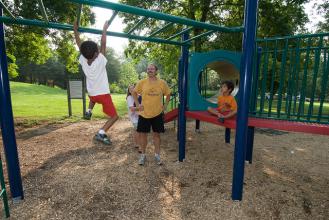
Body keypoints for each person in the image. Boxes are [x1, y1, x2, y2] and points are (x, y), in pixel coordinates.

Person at [73, 20, 118, 145]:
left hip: (92, 94)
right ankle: (101, 132)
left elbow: (79, 44)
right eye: (98, 50)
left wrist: (75, 30)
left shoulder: (83, 60)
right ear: (96, 53)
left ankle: (88, 111)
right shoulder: (100, 60)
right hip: (103, 94)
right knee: (115, 116)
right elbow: (104, 43)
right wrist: (104, 29)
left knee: (93, 99)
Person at [132, 64, 171, 165]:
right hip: (144, 113)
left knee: (156, 135)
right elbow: (134, 92)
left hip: (157, 113)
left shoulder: (162, 83)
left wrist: (165, 106)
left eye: (152, 69)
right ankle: (143, 156)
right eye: (148, 69)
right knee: (142, 135)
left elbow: (168, 94)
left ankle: (157, 156)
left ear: (156, 71)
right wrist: (137, 104)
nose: (150, 70)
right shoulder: (142, 82)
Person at [126, 85, 141, 151]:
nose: (132, 90)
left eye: (133, 89)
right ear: (129, 91)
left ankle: (136, 143)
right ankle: (139, 145)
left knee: (137, 130)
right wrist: (140, 108)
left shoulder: (139, 96)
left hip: (139, 115)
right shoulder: (129, 97)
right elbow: (132, 109)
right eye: (130, 89)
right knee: (138, 129)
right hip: (134, 116)